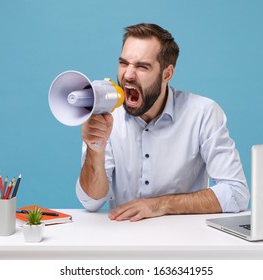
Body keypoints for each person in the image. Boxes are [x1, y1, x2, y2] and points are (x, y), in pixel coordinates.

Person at [76, 23, 250, 222]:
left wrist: (159, 205)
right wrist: (94, 150)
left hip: (186, 242)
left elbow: (236, 193)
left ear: (167, 74)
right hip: (123, 240)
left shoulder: (203, 113)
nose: (128, 75)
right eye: (124, 63)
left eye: (142, 66)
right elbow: (91, 201)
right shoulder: (106, 115)